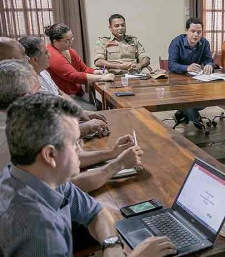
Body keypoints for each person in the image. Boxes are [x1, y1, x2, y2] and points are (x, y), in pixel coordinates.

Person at [0, 93, 176, 257]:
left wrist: (112, 249)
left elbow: (94, 211)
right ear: (50, 155)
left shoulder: (30, 175)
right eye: (75, 143)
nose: (81, 148)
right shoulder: (37, 228)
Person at [0, 59, 144, 193]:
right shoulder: (9, 137)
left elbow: (64, 158)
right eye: (37, 90)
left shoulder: (19, 119)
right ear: (25, 97)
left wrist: (111, 153)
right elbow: (64, 188)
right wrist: (117, 165)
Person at [18, 35, 111, 139]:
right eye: (45, 53)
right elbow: (51, 130)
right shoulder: (30, 84)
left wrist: (79, 112)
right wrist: (85, 126)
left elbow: (60, 93)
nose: (49, 55)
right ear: (35, 59)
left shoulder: (43, 72)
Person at [45, 23, 115, 103]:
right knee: (96, 109)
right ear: (55, 41)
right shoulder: (52, 55)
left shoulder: (69, 50)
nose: (71, 42)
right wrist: (102, 78)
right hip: (64, 97)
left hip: (77, 93)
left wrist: (98, 72)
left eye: (72, 38)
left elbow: (83, 69)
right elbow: (74, 76)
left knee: (98, 104)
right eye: (67, 40)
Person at [168, 17, 214, 130]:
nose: (196, 35)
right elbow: (171, 65)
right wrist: (187, 68)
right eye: (193, 31)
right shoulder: (176, 42)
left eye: (199, 32)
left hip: (196, 81)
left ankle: (182, 113)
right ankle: (196, 120)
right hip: (177, 81)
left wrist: (209, 64)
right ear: (186, 31)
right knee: (186, 101)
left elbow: (209, 59)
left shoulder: (204, 43)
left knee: (206, 100)